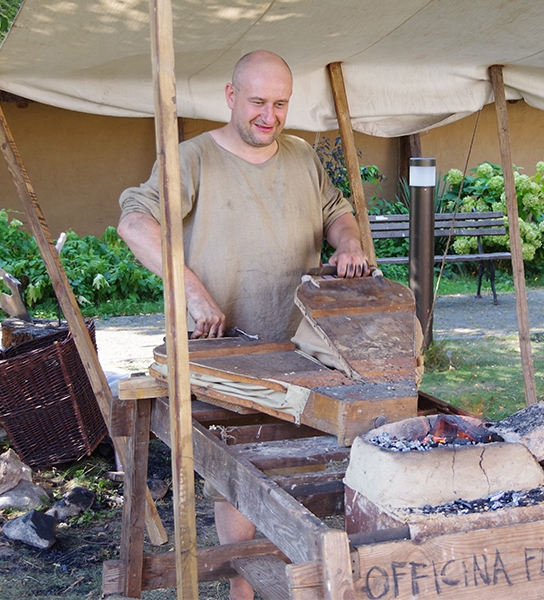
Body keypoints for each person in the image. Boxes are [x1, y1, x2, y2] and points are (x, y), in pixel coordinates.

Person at [117, 50, 369, 600]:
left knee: (296, 470)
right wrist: (192, 289)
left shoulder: (302, 155)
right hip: (226, 354)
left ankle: (288, 580)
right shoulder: (193, 158)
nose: (269, 116)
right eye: (258, 102)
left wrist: (348, 240)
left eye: (280, 104)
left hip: (307, 349)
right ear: (231, 97)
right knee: (236, 477)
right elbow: (135, 222)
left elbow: (336, 211)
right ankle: (243, 591)